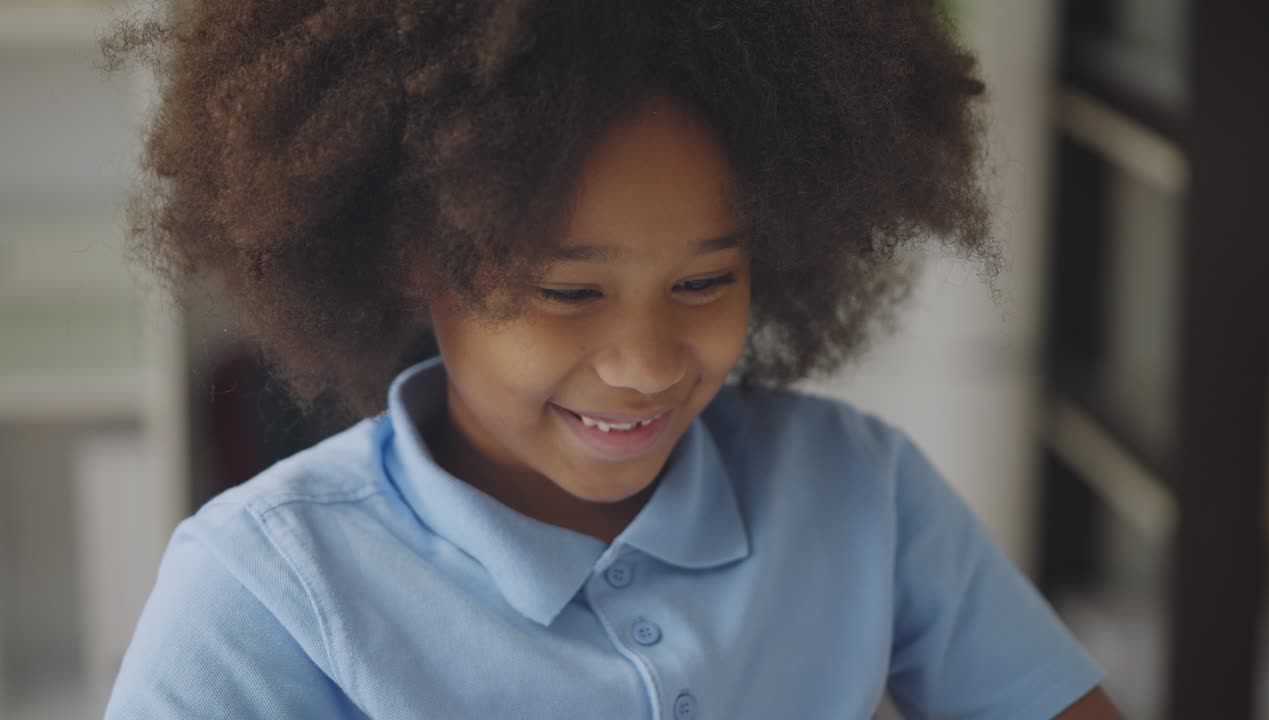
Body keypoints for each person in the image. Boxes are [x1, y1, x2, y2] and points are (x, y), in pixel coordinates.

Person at [100, 1, 1122, 717]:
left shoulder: (859, 492)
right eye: (568, 292)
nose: (643, 362)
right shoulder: (264, 586)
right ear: (415, 258)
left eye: (703, 282)